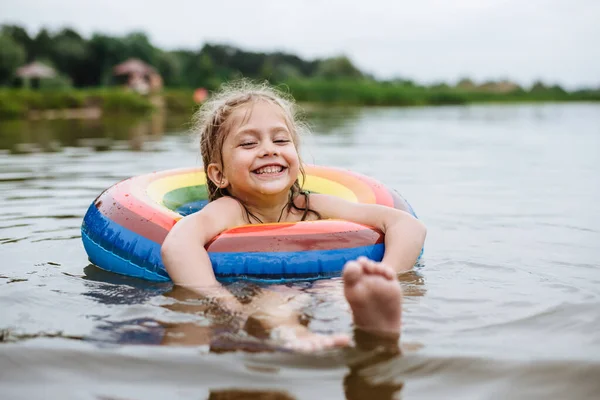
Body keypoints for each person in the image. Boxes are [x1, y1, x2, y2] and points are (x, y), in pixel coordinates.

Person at [161, 81, 426, 352]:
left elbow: (406, 225)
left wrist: (388, 276)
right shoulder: (231, 210)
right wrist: (221, 300)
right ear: (220, 175)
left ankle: (372, 316)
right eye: (249, 143)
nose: (269, 149)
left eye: (280, 140)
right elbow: (179, 243)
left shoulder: (311, 205)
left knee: (334, 290)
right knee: (271, 299)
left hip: (323, 287)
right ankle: (295, 334)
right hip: (256, 290)